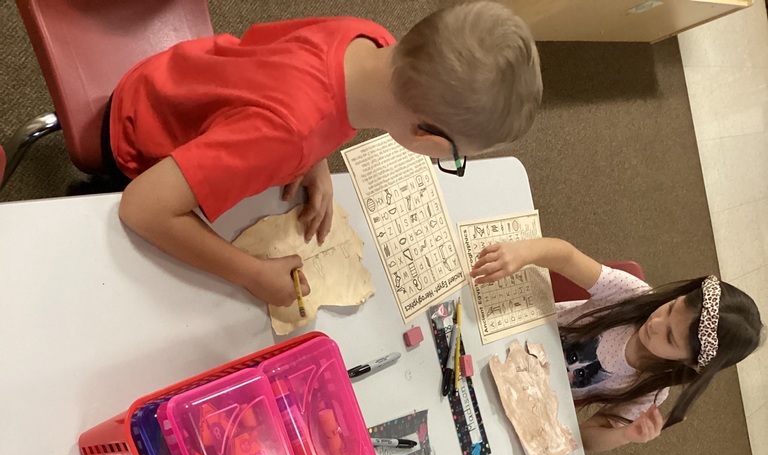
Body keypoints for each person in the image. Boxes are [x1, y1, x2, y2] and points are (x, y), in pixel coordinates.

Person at [107, 3, 542, 307]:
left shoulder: (371, 41)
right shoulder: (287, 132)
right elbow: (142, 208)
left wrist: (314, 159)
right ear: (426, 139)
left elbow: (287, 75)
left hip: (178, 73)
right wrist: (251, 275)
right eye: (453, 157)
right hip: (138, 136)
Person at [470, 237, 764, 451]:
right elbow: (567, 257)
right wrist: (524, 251)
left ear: (687, 362)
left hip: (526, 395)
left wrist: (624, 435)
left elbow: (585, 437)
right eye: (672, 307)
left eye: (671, 338)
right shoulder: (634, 295)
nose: (656, 323)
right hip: (509, 334)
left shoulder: (651, 394)